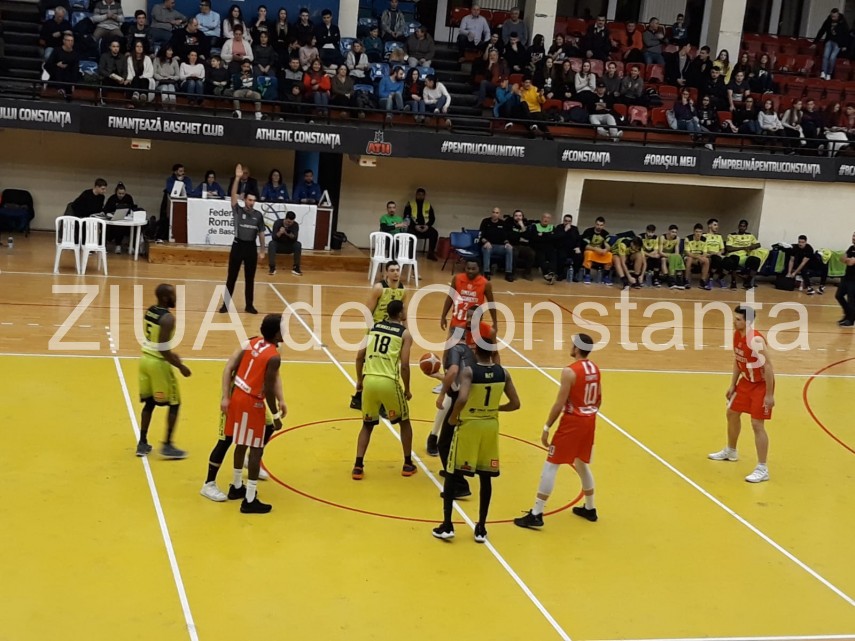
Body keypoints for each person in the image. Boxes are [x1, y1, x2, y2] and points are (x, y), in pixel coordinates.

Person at [432, 328, 520, 542]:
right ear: (493, 351)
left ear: (475, 350)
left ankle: (447, 525)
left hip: (469, 426)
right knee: (485, 477)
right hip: (490, 427)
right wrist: (496, 409)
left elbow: (462, 398)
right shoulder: (504, 373)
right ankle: (481, 527)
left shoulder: (469, 372)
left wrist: (453, 418)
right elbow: (516, 403)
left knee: (451, 473)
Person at [514, 333, 600, 529]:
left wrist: (547, 427)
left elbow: (559, 403)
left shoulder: (570, 372)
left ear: (577, 348)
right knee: (581, 462)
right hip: (589, 420)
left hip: (573, 423)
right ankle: (590, 507)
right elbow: (599, 399)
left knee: (551, 465)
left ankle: (536, 513)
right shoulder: (595, 369)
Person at [210, 314, 284, 513]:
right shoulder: (274, 357)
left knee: (241, 443)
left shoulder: (253, 342)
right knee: (256, 448)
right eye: (282, 328)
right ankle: (250, 499)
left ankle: (236, 486)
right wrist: (276, 415)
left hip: (238, 395)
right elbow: (268, 389)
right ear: (276, 333)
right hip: (252, 402)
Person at [708, 306, 775, 483]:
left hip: (760, 385)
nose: (734, 322)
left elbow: (768, 367)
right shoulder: (737, 335)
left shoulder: (756, 340)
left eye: (738, 319)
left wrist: (769, 395)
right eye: (734, 318)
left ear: (748, 322)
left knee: (757, 424)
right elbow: (738, 360)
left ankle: (762, 468)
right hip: (745, 382)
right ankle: (731, 451)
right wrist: (733, 384)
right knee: (732, 413)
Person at [352, 299, 417, 480]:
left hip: (369, 380)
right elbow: (405, 365)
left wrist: (359, 381)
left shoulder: (373, 327)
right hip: (388, 381)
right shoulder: (404, 334)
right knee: (404, 422)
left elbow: (359, 356)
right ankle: (407, 463)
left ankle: (358, 466)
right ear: (400, 313)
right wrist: (407, 389)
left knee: (367, 425)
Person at [136, 283, 191, 459]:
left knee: (150, 403)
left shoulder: (150, 311)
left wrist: (171, 354)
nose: (176, 298)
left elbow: (154, 341)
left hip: (145, 360)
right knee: (175, 403)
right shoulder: (168, 319)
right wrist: (180, 366)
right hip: (158, 364)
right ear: (166, 298)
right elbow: (163, 349)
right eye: (173, 295)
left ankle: (142, 443)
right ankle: (167, 445)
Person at [350, 260, 407, 410]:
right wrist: (372, 330)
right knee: (360, 356)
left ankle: (383, 398)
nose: (396, 273)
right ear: (386, 273)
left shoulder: (403, 290)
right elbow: (367, 312)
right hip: (375, 328)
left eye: (397, 270)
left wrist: (405, 333)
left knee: (387, 362)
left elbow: (404, 315)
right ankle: (359, 388)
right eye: (392, 270)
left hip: (392, 331)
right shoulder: (379, 288)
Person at [219, 163, 266, 315]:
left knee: (250, 278)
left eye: (253, 201)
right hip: (238, 246)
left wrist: (262, 250)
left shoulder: (258, 215)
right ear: (245, 199)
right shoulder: (238, 210)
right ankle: (225, 305)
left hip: (251, 247)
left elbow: (261, 233)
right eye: (249, 200)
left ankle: (249, 305)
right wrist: (237, 179)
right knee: (231, 277)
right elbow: (233, 196)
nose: (251, 203)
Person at [479, 206, 515, 282]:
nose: (495, 214)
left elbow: (505, 237)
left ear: (499, 214)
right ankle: (486, 272)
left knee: (509, 248)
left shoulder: (502, 223)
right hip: (488, 245)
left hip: (499, 247)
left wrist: (507, 243)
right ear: (491, 213)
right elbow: (481, 236)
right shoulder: (485, 221)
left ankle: (508, 273)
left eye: (497, 213)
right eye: (493, 212)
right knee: (487, 248)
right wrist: (486, 242)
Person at [402, 188, 439, 259]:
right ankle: (411, 255)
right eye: (419, 194)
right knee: (409, 233)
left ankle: (430, 253)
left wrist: (427, 226)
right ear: (416, 195)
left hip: (425, 227)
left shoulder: (428, 205)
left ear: (424, 196)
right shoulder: (410, 204)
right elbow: (406, 217)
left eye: (422, 195)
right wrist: (415, 226)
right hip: (413, 227)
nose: (420, 196)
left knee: (434, 233)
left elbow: (432, 218)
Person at [814, 8, 849, 80]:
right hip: (829, 40)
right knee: (825, 56)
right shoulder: (828, 21)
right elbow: (822, 30)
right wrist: (815, 42)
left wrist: (845, 45)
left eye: (834, 16)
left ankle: (829, 73)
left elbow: (846, 34)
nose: (833, 18)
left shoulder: (843, 22)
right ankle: (823, 72)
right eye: (832, 16)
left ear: (838, 15)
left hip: (838, 43)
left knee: (832, 58)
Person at [268, 211, 302, 276]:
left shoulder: (295, 225)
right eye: (288, 222)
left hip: (289, 246)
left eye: (291, 222)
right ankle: (272, 267)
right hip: (279, 245)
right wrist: (280, 232)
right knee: (271, 244)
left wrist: (287, 233)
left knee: (298, 244)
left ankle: (296, 268)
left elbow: (295, 238)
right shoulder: (277, 223)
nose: (289, 223)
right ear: (285, 219)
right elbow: (274, 237)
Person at [104, 182, 135, 252]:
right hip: (114, 220)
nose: (121, 195)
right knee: (118, 227)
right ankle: (118, 245)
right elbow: (106, 210)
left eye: (123, 194)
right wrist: (110, 215)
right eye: (119, 193)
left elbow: (132, 208)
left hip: (126, 219)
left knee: (134, 228)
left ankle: (132, 246)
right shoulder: (112, 198)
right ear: (116, 192)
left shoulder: (128, 198)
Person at [836, 231, 855, 327]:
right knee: (838, 295)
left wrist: (847, 260)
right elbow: (841, 258)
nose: (854, 238)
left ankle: (850, 320)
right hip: (846, 277)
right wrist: (847, 260)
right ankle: (847, 314)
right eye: (853, 236)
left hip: (854, 279)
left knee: (851, 299)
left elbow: (851, 262)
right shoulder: (851, 248)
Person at [683, 223, 710, 289]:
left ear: (702, 232)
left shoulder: (704, 239)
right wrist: (698, 257)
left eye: (700, 232)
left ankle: (702, 281)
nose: (698, 234)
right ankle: (686, 280)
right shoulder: (688, 238)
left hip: (699, 258)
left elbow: (705, 253)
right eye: (696, 232)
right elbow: (687, 252)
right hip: (690, 257)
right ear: (694, 232)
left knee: (706, 260)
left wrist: (702, 257)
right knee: (689, 259)